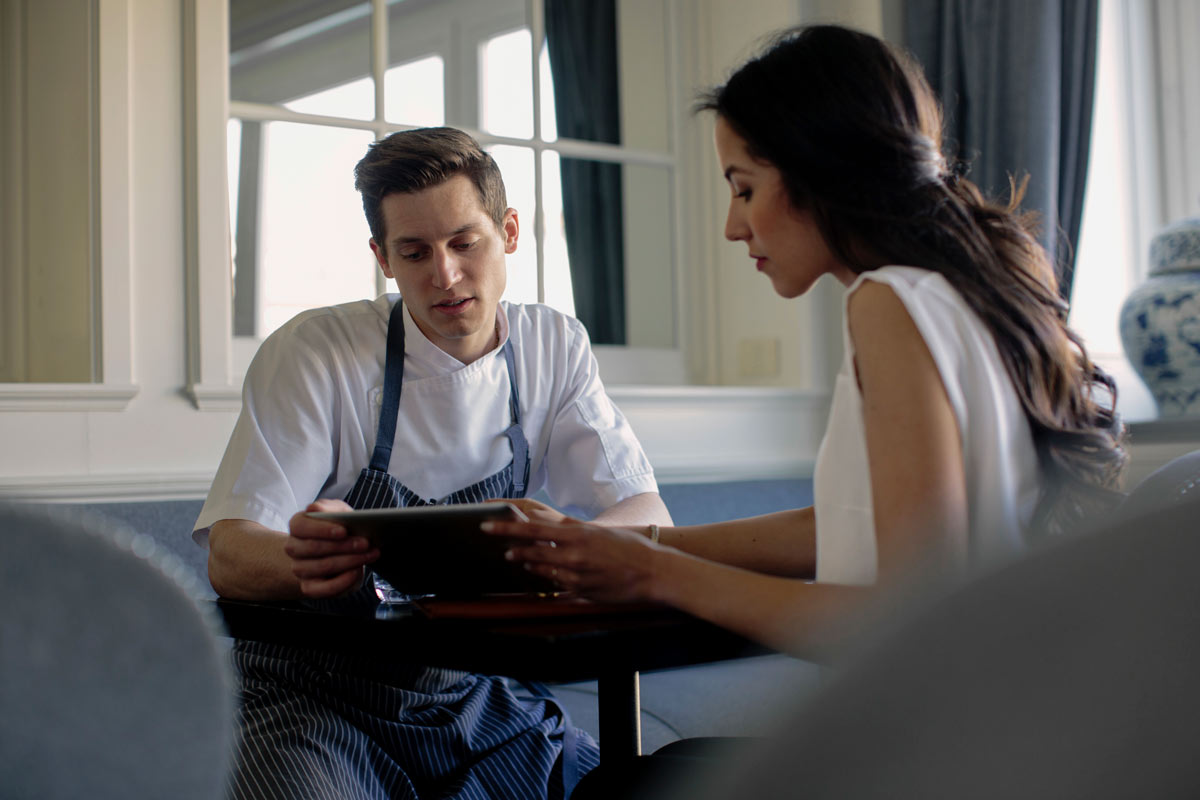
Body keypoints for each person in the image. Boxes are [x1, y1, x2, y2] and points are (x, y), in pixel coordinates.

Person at [487, 24, 1127, 661]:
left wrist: (650, 573)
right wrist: (626, 544)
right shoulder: (968, 288)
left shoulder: (889, 303)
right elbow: (845, 525)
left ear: (820, 169)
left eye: (744, 189)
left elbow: (909, 613)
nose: (733, 226)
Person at [193, 126, 672, 800]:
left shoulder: (553, 347)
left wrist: (550, 550)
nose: (443, 275)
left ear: (508, 230)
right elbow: (231, 555)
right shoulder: (315, 351)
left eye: (463, 244)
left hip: (473, 695)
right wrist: (308, 562)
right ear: (382, 258)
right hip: (315, 701)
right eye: (414, 252)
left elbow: (648, 513)